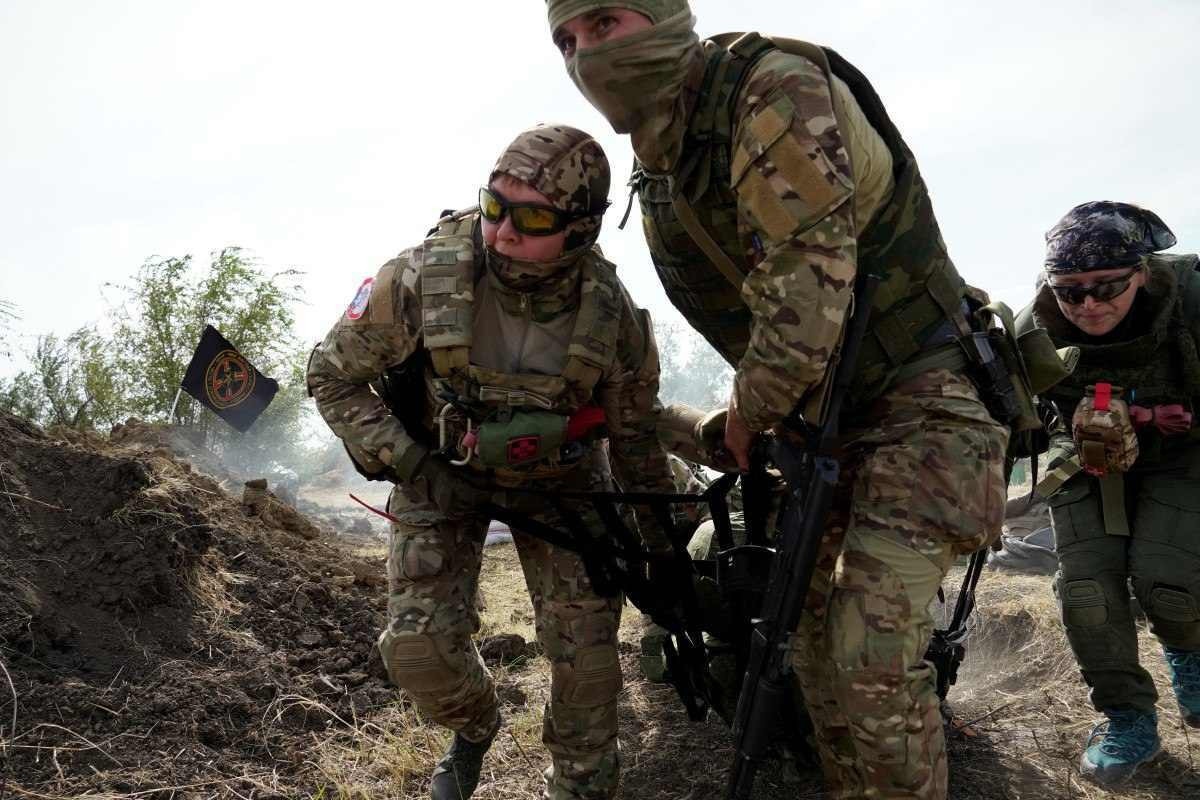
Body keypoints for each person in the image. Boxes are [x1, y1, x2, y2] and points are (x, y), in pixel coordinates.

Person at [543, 4, 1009, 798]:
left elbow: (804, 297)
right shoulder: (664, 163)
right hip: (827, 428)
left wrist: (750, 414)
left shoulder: (771, 90)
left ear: (663, 19)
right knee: (817, 649)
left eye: (605, 23)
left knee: (869, 650)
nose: (586, 55)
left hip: (923, 402)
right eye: (566, 41)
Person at [306, 123, 676, 800]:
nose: (502, 231)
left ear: (581, 229)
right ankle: (475, 726)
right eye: (495, 205)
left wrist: (662, 554)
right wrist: (414, 462)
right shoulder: (420, 278)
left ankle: (579, 785)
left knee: (589, 668)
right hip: (439, 476)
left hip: (562, 485)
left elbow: (635, 443)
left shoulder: (610, 315)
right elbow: (330, 376)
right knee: (420, 655)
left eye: (531, 217)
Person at [1016, 201, 1200, 785]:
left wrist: (1172, 417)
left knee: (1168, 580)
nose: (1088, 305)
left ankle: (1190, 658)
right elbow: (1019, 413)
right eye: (1071, 292)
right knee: (1086, 593)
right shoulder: (1033, 330)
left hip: (1185, 456)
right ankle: (1128, 720)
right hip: (1087, 462)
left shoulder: (1191, 304)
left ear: (1142, 272)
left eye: (1107, 287)